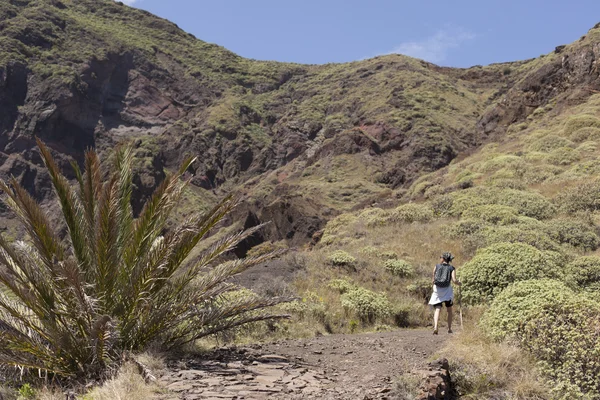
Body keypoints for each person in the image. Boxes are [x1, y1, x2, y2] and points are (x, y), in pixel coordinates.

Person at [428, 252, 461, 335]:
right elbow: (454, 280)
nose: (440, 258)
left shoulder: (437, 266)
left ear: (443, 258)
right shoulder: (451, 268)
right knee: (449, 310)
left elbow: (433, 280)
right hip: (447, 291)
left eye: (440, 257)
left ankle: (435, 326)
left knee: (437, 309)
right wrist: (459, 283)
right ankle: (449, 328)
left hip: (437, 291)